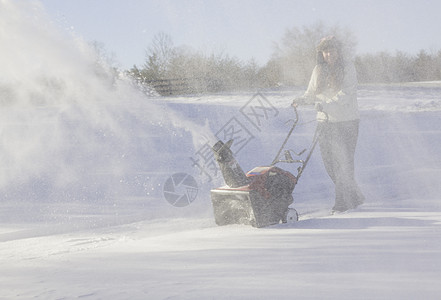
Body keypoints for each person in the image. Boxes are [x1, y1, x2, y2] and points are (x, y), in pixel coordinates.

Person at [292, 36, 365, 213]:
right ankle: (354, 195)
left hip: (346, 122)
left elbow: (346, 94)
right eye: (325, 51)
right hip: (324, 122)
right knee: (330, 165)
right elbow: (311, 93)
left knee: (343, 163)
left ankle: (342, 204)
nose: (329, 54)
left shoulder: (348, 68)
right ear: (321, 53)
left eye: (332, 50)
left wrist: (325, 105)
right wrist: (301, 100)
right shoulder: (318, 70)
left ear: (339, 52)